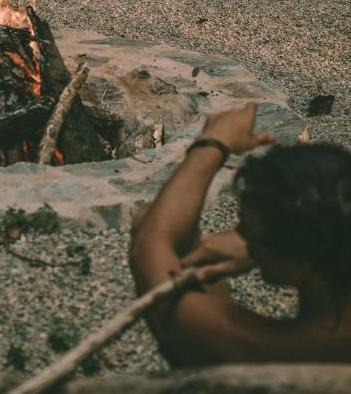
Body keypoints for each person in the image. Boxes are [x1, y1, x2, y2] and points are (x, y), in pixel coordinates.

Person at [129, 102, 351, 366]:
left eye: (248, 233)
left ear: (300, 265)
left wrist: (213, 143)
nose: (238, 237)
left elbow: (150, 241)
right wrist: (253, 251)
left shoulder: (251, 347)